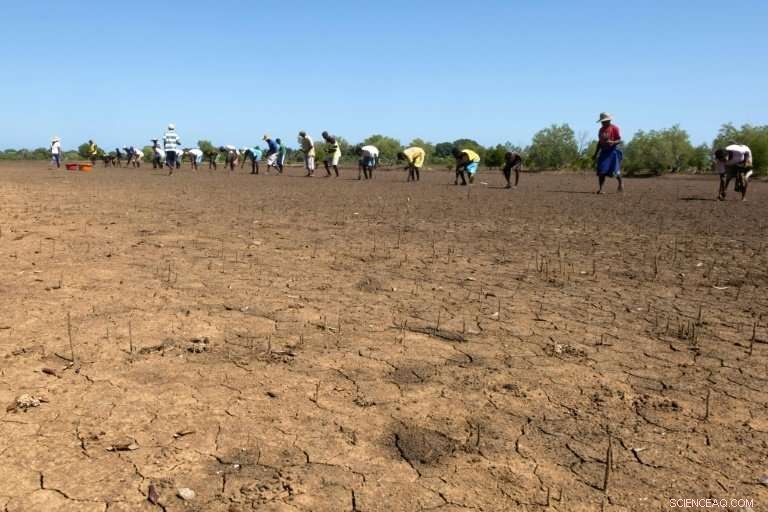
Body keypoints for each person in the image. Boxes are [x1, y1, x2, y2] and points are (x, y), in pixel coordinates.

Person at [593, 112, 624, 194]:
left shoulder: (614, 128)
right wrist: (595, 154)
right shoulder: (601, 130)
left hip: (613, 152)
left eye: (605, 121)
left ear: (609, 120)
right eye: (602, 122)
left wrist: (613, 142)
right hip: (604, 152)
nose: (603, 123)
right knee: (601, 170)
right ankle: (601, 189)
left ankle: (620, 183)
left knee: (615, 171)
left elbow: (619, 140)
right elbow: (599, 143)